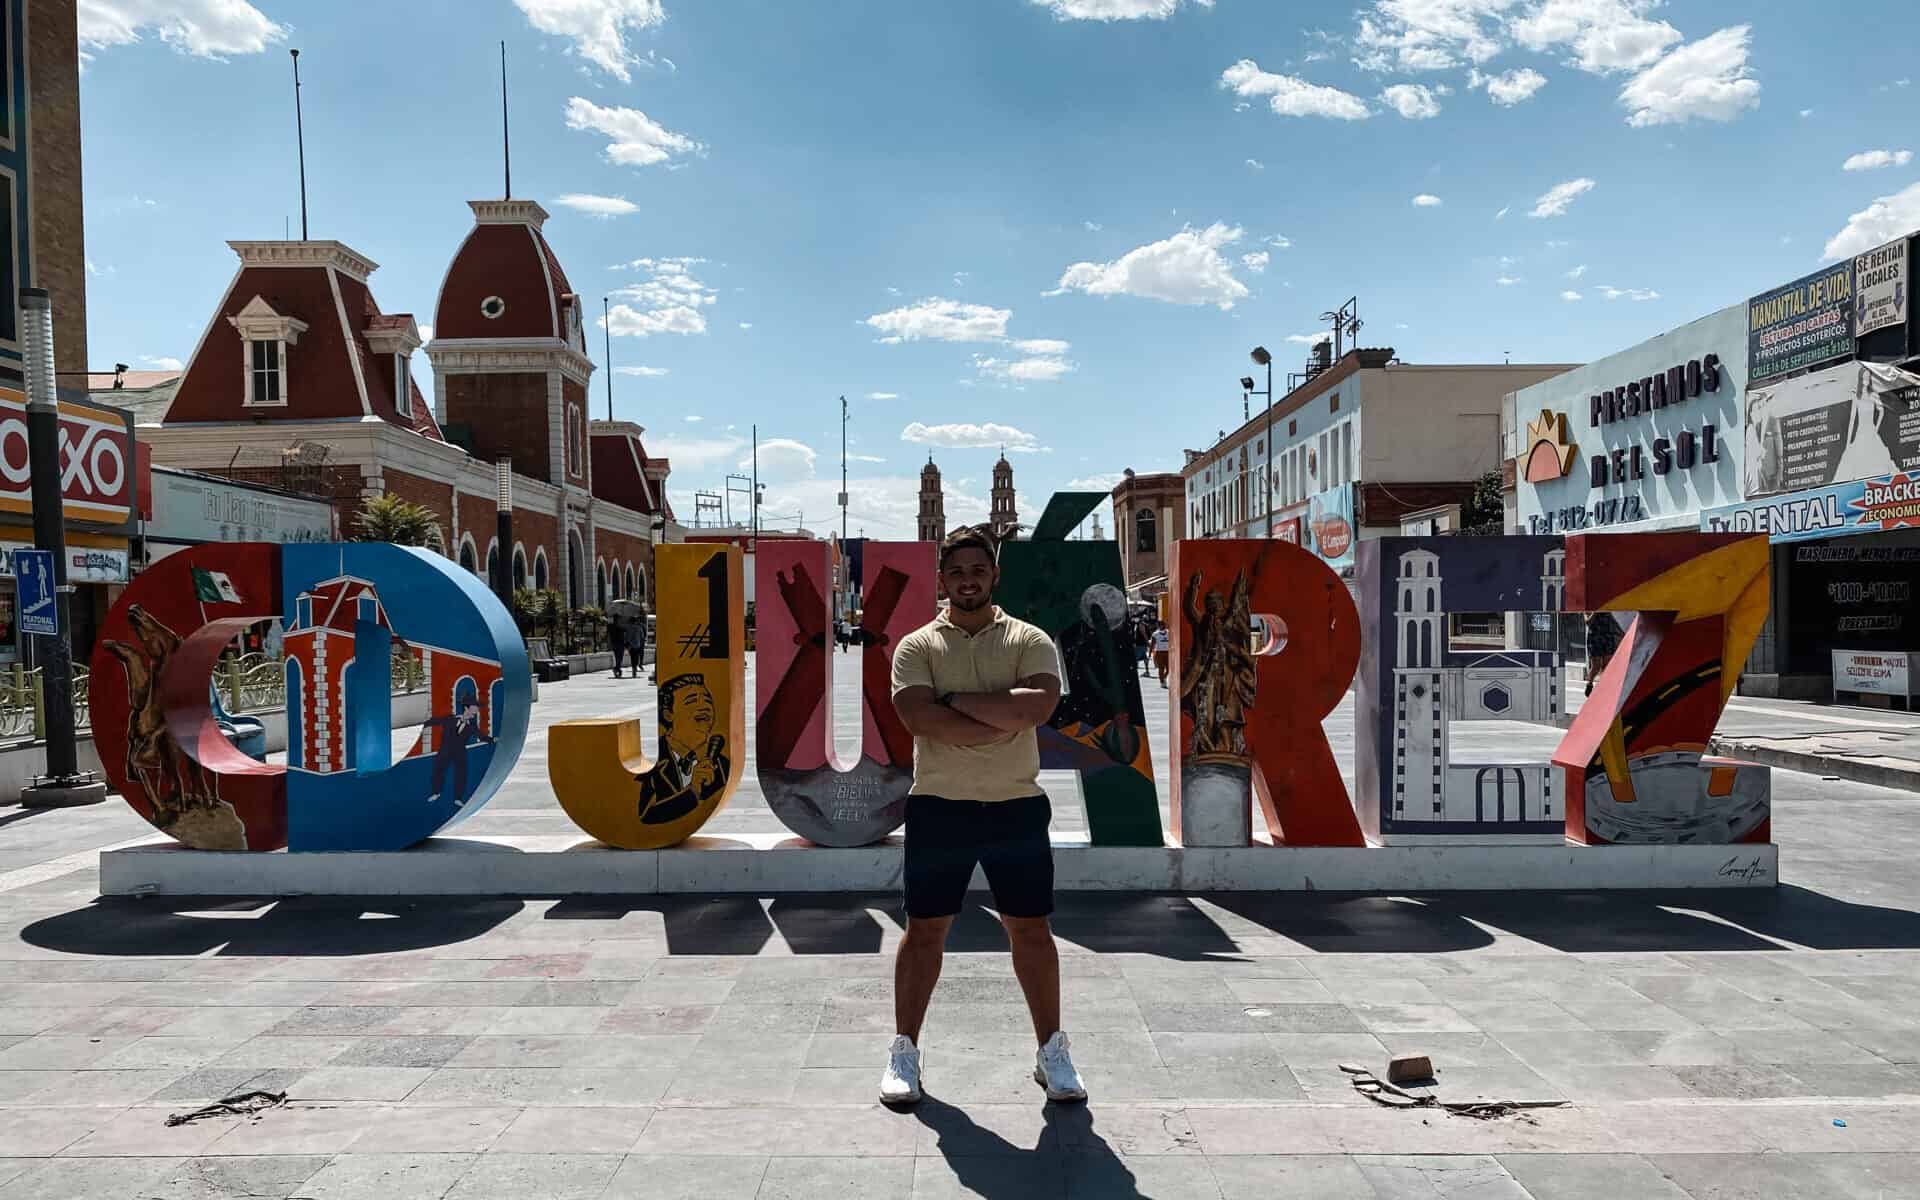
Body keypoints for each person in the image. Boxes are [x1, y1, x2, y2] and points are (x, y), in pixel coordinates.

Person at [883, 525, 1084, 1106]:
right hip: (938, 807)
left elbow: (1039, 707)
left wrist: (957, 703)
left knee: (1031, 930)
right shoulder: (917, 646)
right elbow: (920, 721)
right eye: (957, 571)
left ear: (994, 575)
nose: (967, 580)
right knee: (924, 932)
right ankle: (905, 1051)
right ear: (941, 579)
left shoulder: (1029, 639)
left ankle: (1052, 1052)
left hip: (1014, 806)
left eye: (978, 569)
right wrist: (1000, 714)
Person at [635, 673, 731, 825]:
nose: (704, 707)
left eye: (707, 700)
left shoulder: (721, 765)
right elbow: (645, 816)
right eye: (692, 701)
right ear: (668, 714)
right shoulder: (653, 767)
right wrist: (693, 791)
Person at [1584, 611, 1622, 698]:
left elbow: (1614, 623)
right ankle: (1589, 683)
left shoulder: (1608, 609)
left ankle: (1603, 687)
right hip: (1595, 637)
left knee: (1606, 666)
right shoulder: (1589, 608)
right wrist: (1595, 612)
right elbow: (1588, 622)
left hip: (1607, 637)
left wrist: (1621, 634)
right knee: (1596, 666)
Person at [1150, 621, 1171, 688]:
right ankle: (1162, 682)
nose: (1162, 626)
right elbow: (1152, 644)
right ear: (1158, 626)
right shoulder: (1155, 634)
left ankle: (1164, 677)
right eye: (1160, 625)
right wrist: (1150, 653)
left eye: (1162, 625)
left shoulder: (1169, 632)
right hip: (1159, 652)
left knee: (1169, 669)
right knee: (1161, 668)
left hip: (1168, 652)